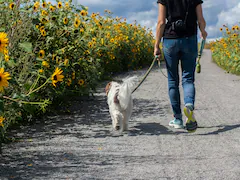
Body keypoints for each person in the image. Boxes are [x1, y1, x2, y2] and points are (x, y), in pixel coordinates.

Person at [154, 0, 207, 132]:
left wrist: (156, 45)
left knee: (172, 81)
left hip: (170, 40)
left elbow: (161, 22)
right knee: (188, 78)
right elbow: (201, 19)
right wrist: (203, 31)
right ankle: (189, 104)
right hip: (189, 38)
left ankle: (177, 119)